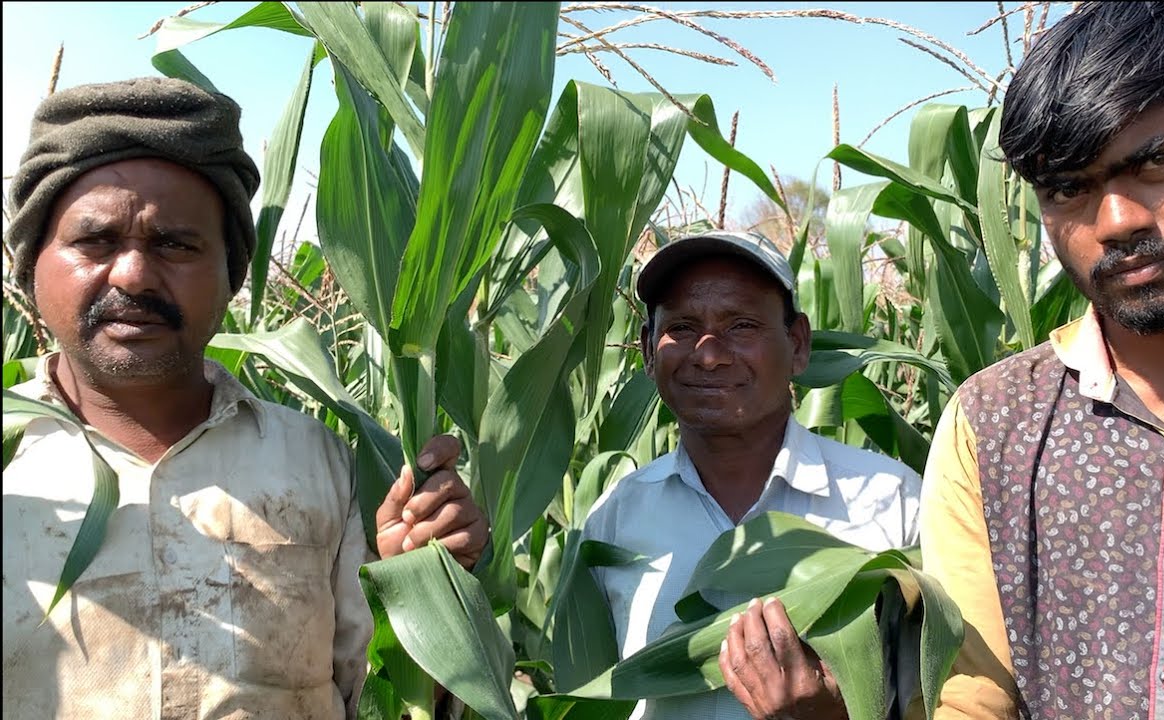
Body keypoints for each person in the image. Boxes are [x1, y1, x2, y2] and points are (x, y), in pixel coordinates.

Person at [1, 76, 489, 719]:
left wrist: (428, 589)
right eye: (94, 242)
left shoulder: (320, 462)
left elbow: (387, 697)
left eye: (176, 244)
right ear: (30, 265)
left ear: (233, 273)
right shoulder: (13, 464)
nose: (134, 274)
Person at [920, 2, 1164, 718]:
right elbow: (973, 697)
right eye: (1068, 188)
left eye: (1155, 161)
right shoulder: (992, 424)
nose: (1116, 222)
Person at [582, 230, 923, 720]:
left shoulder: (890, 503)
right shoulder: (614, 520)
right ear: (647, 351)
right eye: (680, 327)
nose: (708, 353)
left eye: (741, 326)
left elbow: (947, 697)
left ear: (798, 344)